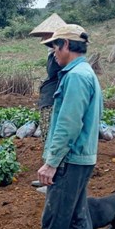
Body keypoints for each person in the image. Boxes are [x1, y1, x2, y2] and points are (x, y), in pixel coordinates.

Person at [11, 25, 103, 229]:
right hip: (84, 158)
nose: (53, 52)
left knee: (54, 217)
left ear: (65, 45)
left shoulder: (75, 77)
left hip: (70, 159)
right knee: (77, 217)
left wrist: (51, 162)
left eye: (54, 47)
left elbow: (68, 123)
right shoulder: (87, 73)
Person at [29, 13, 67, 191]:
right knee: (47, 138)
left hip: (53, 101)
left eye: (48, 37)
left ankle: (51, 180)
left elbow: (55, 74)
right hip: (48, 100)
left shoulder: (61, 59)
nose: (45, 40)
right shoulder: (53, 56)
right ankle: (46, 177)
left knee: (52, 139)